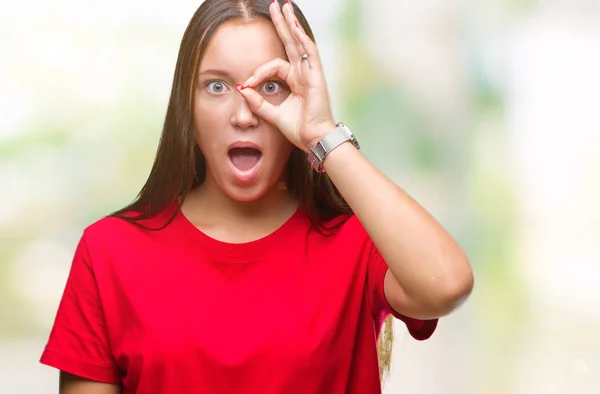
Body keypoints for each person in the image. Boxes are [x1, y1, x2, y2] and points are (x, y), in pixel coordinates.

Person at [40, 0, 474, 393]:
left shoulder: (355, 242)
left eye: (269, 86)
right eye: (216, 86)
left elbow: (446, 285)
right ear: (185, 107)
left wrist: (322, 134)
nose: (244, 114)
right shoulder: (110, 252)